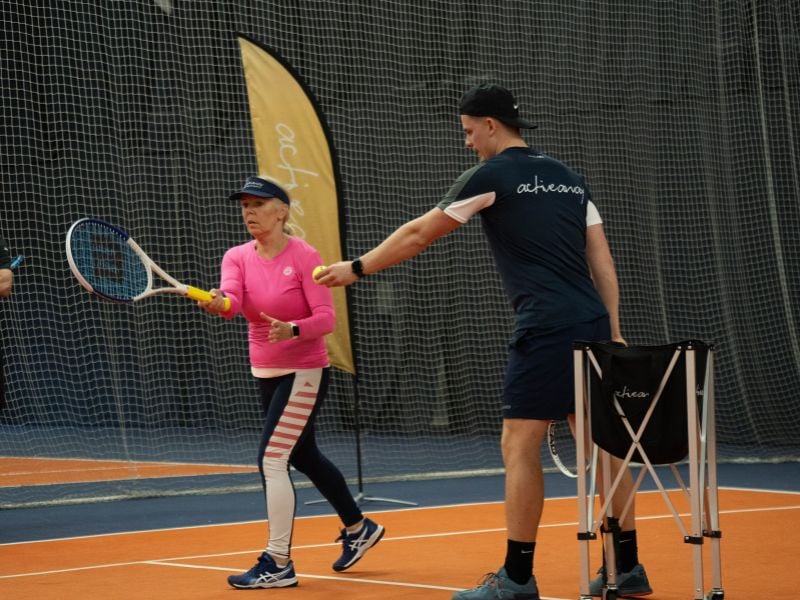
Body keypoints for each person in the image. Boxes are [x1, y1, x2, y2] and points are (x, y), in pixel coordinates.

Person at [317, 84, 651, 599]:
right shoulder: (569, 178)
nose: (468, 143)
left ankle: (516, 579)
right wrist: (612, 328)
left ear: (492, 125)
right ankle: (626, 567)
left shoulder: (491, 174)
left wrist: (356, 268)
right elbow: (602, 262)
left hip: (544, 327)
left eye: (470, 132)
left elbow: (418, 234)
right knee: (602, 444)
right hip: (590, 324)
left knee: (519, 444)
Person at [199, 175, 384, 590]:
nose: (249, 212)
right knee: (304, 456)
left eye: (258, 204)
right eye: (244, 205)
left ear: (281, 211)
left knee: (272, 459)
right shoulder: (237, 256)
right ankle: (359, 528)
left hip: (305, 372)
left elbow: (326, 319)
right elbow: (230, 302)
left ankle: (278, 561)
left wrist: (294, 330)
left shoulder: (305, 256)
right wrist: (217, 302)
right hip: (264, 371)